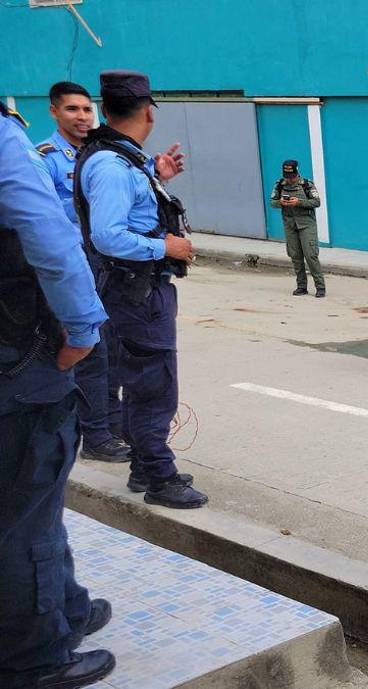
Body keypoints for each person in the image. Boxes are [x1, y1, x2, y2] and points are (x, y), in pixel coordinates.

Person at [0, 100, 116, 689]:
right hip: (17, 357)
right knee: (26, 508)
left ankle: (65, 606)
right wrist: (81, 328)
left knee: (30, 498)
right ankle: (33, 658)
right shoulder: (7, 139)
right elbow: (46, 234)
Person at [74, 70, 207, 508]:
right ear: (149, 112)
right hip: (136, 293)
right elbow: (108, 235)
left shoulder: (121, 158)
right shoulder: (111, 165)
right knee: (154, 385)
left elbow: (124, 217)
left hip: (135, 291)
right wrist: (166, 244)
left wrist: (159, 180)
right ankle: (160, 479)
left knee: (140, 380)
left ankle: (142, 467)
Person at [37, 81, 130, 462]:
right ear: (54, 112)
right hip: (74, 265)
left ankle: (110, 421)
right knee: (89, 348)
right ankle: (94, 435)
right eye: (72, 109)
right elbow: (43, 222)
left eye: (87, 109)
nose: (82, 117)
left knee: (114, 348)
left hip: (106, 263)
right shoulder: (44, 158)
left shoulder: (100, 155)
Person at [269, 159, 325, 297]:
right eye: (287, 177)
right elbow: (272, 202)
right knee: (295, 256)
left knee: (310, 255)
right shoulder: (279, 185)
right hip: (290, 224)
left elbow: (317, 202)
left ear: (297, 173)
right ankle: (301, 286)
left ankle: (320, 287)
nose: (289, 180)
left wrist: (299, 202)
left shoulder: (307, 184)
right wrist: (280, 202)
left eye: (292, 177)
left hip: (306, 224)